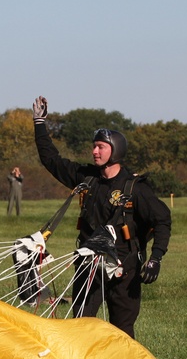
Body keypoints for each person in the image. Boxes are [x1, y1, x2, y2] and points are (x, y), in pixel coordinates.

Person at [32, 95, 170, 339]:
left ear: (115, 151)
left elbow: (162, 220)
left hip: (124, 268)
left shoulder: (134, 188)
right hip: (89, 264)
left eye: (101, 147)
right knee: (81, 326)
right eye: (94, 146)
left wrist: (156, 258)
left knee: (123, 330)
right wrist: (40, 123)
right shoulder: (87, 177)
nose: (94, 151)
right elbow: (51, 160)